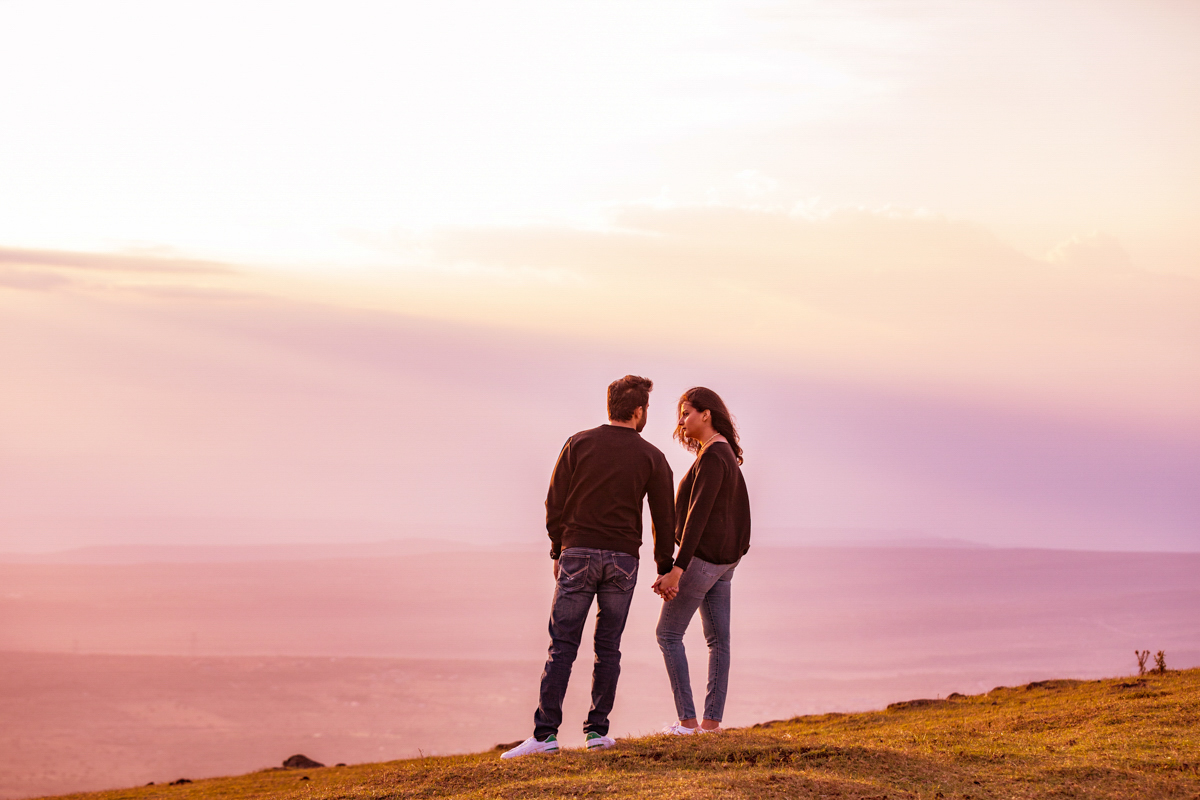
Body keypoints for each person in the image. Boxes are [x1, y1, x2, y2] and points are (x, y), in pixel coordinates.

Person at [502, 375, 676, 758]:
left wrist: (557, 549)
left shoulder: (577, 444)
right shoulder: (653, 457)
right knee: (608, 648)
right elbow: (665, 520)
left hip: (577, 554)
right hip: (623, 561)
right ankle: (597, 731)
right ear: (638, 411)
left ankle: (545, 735)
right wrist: (665, 566)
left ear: (610, 406)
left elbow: (555, 502)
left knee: (561, 647)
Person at [652, 386, 751, 735]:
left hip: (704, 561)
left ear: (705, 414)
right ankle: (710, 726)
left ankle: (688, 723)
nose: (681, 421)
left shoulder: (712, 456)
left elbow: (698, 516)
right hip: (724, 564)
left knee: (667, 634)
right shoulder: (722, 451)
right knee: (718, 641)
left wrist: (677, 570)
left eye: (686, 413)